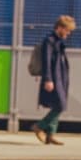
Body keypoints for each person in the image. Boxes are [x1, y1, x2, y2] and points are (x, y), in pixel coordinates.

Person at [32, 13, 74, 144]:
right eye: (67, 30)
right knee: (60, 105)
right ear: (60, 28)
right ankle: (39, 126)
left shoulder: (58, 41)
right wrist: (48, 79)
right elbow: (46, 62)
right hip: (54, 77)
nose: (68, 33)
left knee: (58, 105)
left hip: (61, 77)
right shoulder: (49, 41)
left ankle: (50, 134)